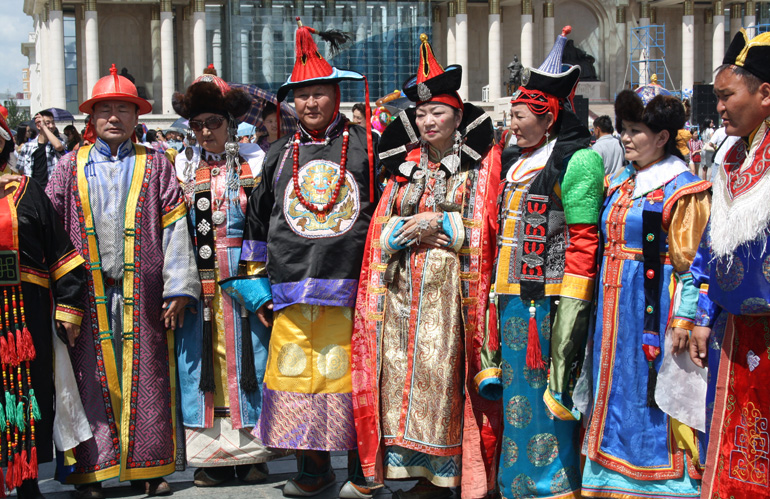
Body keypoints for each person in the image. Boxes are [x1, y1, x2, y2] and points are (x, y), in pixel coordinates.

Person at [353, 34, 503, 499]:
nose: (427, 120)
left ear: (458, 117)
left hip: (449, 299)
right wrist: (411, 229)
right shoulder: (403, 166)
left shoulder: (480, 165)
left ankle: (445, 474)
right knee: (397, 378)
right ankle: (406, 472)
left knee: (440, 382)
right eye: (420, 114)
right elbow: (381, 227)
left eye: (437, 112)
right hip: (400, 296)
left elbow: (486, 227)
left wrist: (441, 223)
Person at [46, 64, 200, 499]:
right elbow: (53, 239)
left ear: (138, 118)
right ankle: (90, 472)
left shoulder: (157, 165)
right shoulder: (65, 169)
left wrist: (177, 287)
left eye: (123, 109)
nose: (114, 117)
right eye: (105, 110)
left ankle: (149, 469)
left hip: (145, 295)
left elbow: (174, 230)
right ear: (91, 119)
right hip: (85, 296)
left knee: (149, 379)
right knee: (86, 380)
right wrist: (63, 300)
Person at [240, 18, 377, 498]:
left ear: (336, 96)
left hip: (353, 287)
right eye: (301, 96)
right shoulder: (277, 155)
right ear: (291, 102)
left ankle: (362, 472)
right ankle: (313, 471)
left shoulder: (367, 148)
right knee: (297, 378)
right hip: (291, 293)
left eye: (319, 93)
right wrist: (254, 289)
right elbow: (256, 226)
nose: (310, 104)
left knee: (353, 380)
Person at [579, 89, 711, 498]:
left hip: (653, 304)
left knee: (651, 388)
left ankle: (665, 482)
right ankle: (609, 476)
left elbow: (693, 264)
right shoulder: (622, 183)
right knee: (613, 383)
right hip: (613, 305)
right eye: (624, 130)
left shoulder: (684, 189)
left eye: (636, 131)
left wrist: (685, 317)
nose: (626, 138)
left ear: (663, 138)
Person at [495, 26, 605, 499]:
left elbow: (583, 243)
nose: (512, 125)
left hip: (551, 303)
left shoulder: (578, 162)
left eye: (518, 116)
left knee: (548, 399)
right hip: (509, 298)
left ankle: (553, 488)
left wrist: (570, 317)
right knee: (515, 401)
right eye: (511, 116)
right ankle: (516, 485)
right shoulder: (510, 160)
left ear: (549, 116)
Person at [171, 71, 279, 488]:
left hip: (247, 276)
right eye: (197, 126)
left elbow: (269, 223)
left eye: (213, 123)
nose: (204, 133)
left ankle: (255, 454)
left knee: (252, 356)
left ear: (230, 125)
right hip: (201, 283)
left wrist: (262, 280)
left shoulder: (255, 163)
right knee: (201, 363)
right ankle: (209, 458)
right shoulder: (184, 168)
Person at [688, 29, 770, 499]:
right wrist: (702, 315)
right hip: (735, 330)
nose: (718, 107)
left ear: (764, 94)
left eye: (726, 96)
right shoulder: (731, 157)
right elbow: (711, 245)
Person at [0, 113, 91, 499]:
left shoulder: (26, 190)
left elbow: (62, 254)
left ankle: (25, 478)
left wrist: (68, 307)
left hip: (25, 315)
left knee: (25, 391)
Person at [17, 111, 65, 189]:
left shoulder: (58, 142)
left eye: (53, 123)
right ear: (38, 126)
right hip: (33, 190)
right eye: (48, 123)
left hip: (52, 189)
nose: (52, 126)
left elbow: (58, 146)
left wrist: (44, 127)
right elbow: (20, 169)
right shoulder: (27, 146)